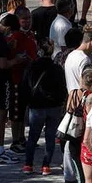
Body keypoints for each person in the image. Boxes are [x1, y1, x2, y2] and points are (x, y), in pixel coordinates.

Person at [0, 13, 30, 164]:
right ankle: (0, 149)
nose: (10, 34)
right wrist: (17, 59)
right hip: (0, 80)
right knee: (1, 115)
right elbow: (3, 64)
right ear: (7, 27)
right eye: (10, 31)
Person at [19, 37, 67, 175]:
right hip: (54, 107)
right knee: (50, 137)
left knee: (33, 136)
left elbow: (25, 87)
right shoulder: (57, 68)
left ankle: (28, 164)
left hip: (37, 106)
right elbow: (62, 88)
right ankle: (46, 166)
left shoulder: (32, 67)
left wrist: (27, 102)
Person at [5, 7, 37, 154]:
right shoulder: (15, 37)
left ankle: (22, 137)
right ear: (18, 20)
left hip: (27, 77)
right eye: (24, 19)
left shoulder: (30, 35)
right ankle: (15, 140)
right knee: (16, 111)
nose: (27, 22)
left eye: (29, 18)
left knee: (24, 110)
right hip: (16, 78)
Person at [64, 27, 92, 94]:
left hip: (71, 98)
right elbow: (86, 84)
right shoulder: (84, 59)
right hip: (81, 99)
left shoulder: (70, 56)